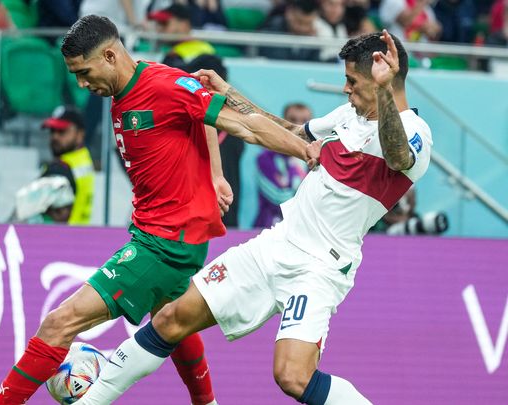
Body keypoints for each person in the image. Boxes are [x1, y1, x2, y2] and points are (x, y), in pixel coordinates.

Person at [75, 30, 433, 405]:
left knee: (293, 377)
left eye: (352, 81)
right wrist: (229, 93)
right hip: (276, 245)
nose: (345, 89)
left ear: (384, 79)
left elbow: (397, 156)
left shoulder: (415, 132)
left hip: (320, 268)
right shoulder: (348, 115)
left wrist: (383, 92)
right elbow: (290, 131)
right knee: (171, 319)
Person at [0, 14, 316, 405]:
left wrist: (305, 150)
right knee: (172, 321)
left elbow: (243, 124)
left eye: (84, 71)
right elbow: (201, 117)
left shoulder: (162, 86)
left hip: (163, 243)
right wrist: (214, 174)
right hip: (158, 233)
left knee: (59, 323)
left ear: (110, 55)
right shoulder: (125, 90)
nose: (81, 83)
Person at [253, 103, 311, 228]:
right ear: (283, 124)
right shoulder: (266, 158)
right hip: (269, 229)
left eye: (305, 122)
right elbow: (278, 198)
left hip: (304, 231)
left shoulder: (316, 161)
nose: (299, 127)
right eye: (293, 120)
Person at [42, 105, 95, 225]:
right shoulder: (84, 158)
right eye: (52, 131)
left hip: (57, 239)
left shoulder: (61, 168)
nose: (55, 137)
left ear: (80, 134)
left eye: (62, 131)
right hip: (78, 236)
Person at [149, 3, 217, 68]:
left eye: (164, 23)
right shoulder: (206, 47)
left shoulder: (175, 56)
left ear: (184, 24)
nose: (159, 29)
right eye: (158, 24)